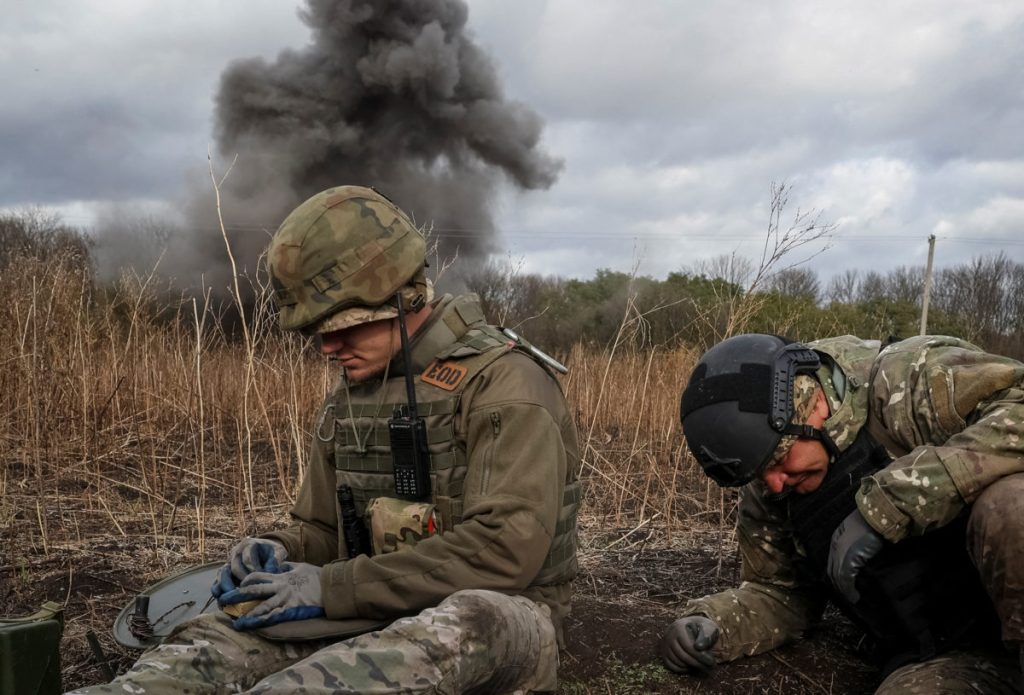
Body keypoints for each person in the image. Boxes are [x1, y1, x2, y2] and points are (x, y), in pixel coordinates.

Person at [69, 185, 580, 694]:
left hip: (504, 617)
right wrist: (277, 549)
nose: (328, 347)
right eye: (317, 331)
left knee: (464, 618)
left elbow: (503, 552)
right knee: (208, 648)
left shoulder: (505, 384)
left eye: (345, 327)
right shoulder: (350, 398)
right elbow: (323, 531)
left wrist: (332, 586)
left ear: (404, 294)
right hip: (368, 608)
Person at [662, 333, 1023, 693]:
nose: (774, 483)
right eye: (759, 473)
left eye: (778, 460)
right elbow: (780, 592)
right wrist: (713, 624)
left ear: (815, 403)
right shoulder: (772, 489)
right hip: (952, 653)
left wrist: (891, 502)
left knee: (1010, 507)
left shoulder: (906, 381)